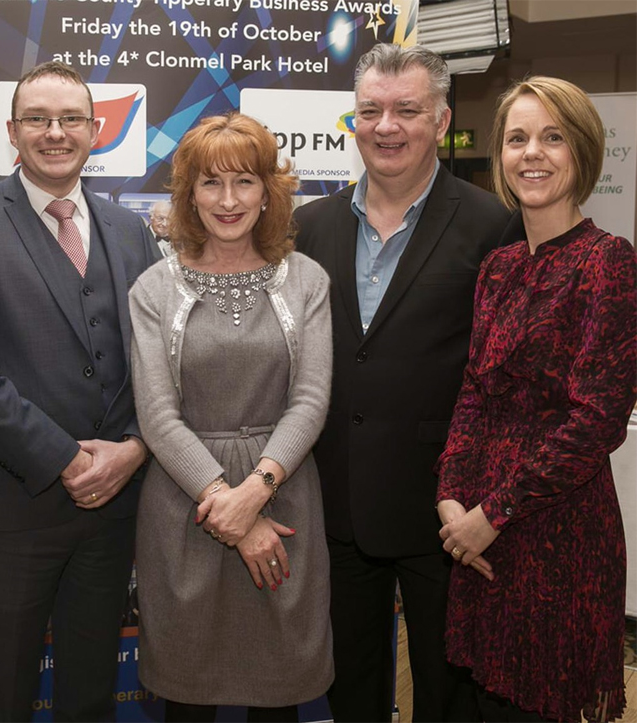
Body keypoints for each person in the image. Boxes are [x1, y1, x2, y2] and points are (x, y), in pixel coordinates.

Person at [294, 43, 518, 722]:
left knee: (448, 698)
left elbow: (502, 380)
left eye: (407, 110)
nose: (386, 125)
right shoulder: (308, 226)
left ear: (442, 119)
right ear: (352, 121)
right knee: (351, 690)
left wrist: (480, 498)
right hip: (337, 508)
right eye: (371, 110)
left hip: (444, 515)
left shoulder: (492, 226)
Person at [0, 61, 153, 721]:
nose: (54, 132)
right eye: (37, 119)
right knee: (2, 696)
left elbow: (157, 361)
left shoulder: (128, 229)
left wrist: (136, 449)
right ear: (12, 132)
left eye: (69, 119)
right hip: (12, 510)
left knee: (90, 695)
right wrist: (66, 458)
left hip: (113, 509)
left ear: (95, 130)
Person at [436, 76, 636, 723]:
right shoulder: (498, 267)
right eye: (517, 138)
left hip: (559, 539)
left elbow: (597, 420)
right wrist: (451, 496)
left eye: (552, 137)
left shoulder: (609, 262)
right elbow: (474, 394)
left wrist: (492, 512)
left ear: (581, 150)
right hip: (478, 539)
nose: (532, 153)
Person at [129, 113, 334, 723]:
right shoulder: (152, 288)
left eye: (244, 181)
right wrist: (233, 510)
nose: (228, 200)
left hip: (286, 499)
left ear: (269, 190)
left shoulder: (306, 279)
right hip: (185, 511)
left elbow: (312, 398)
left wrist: (258, 491)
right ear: (187, 193)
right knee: (187, 698)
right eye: (210, 183)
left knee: (280, 695)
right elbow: (158, 416)